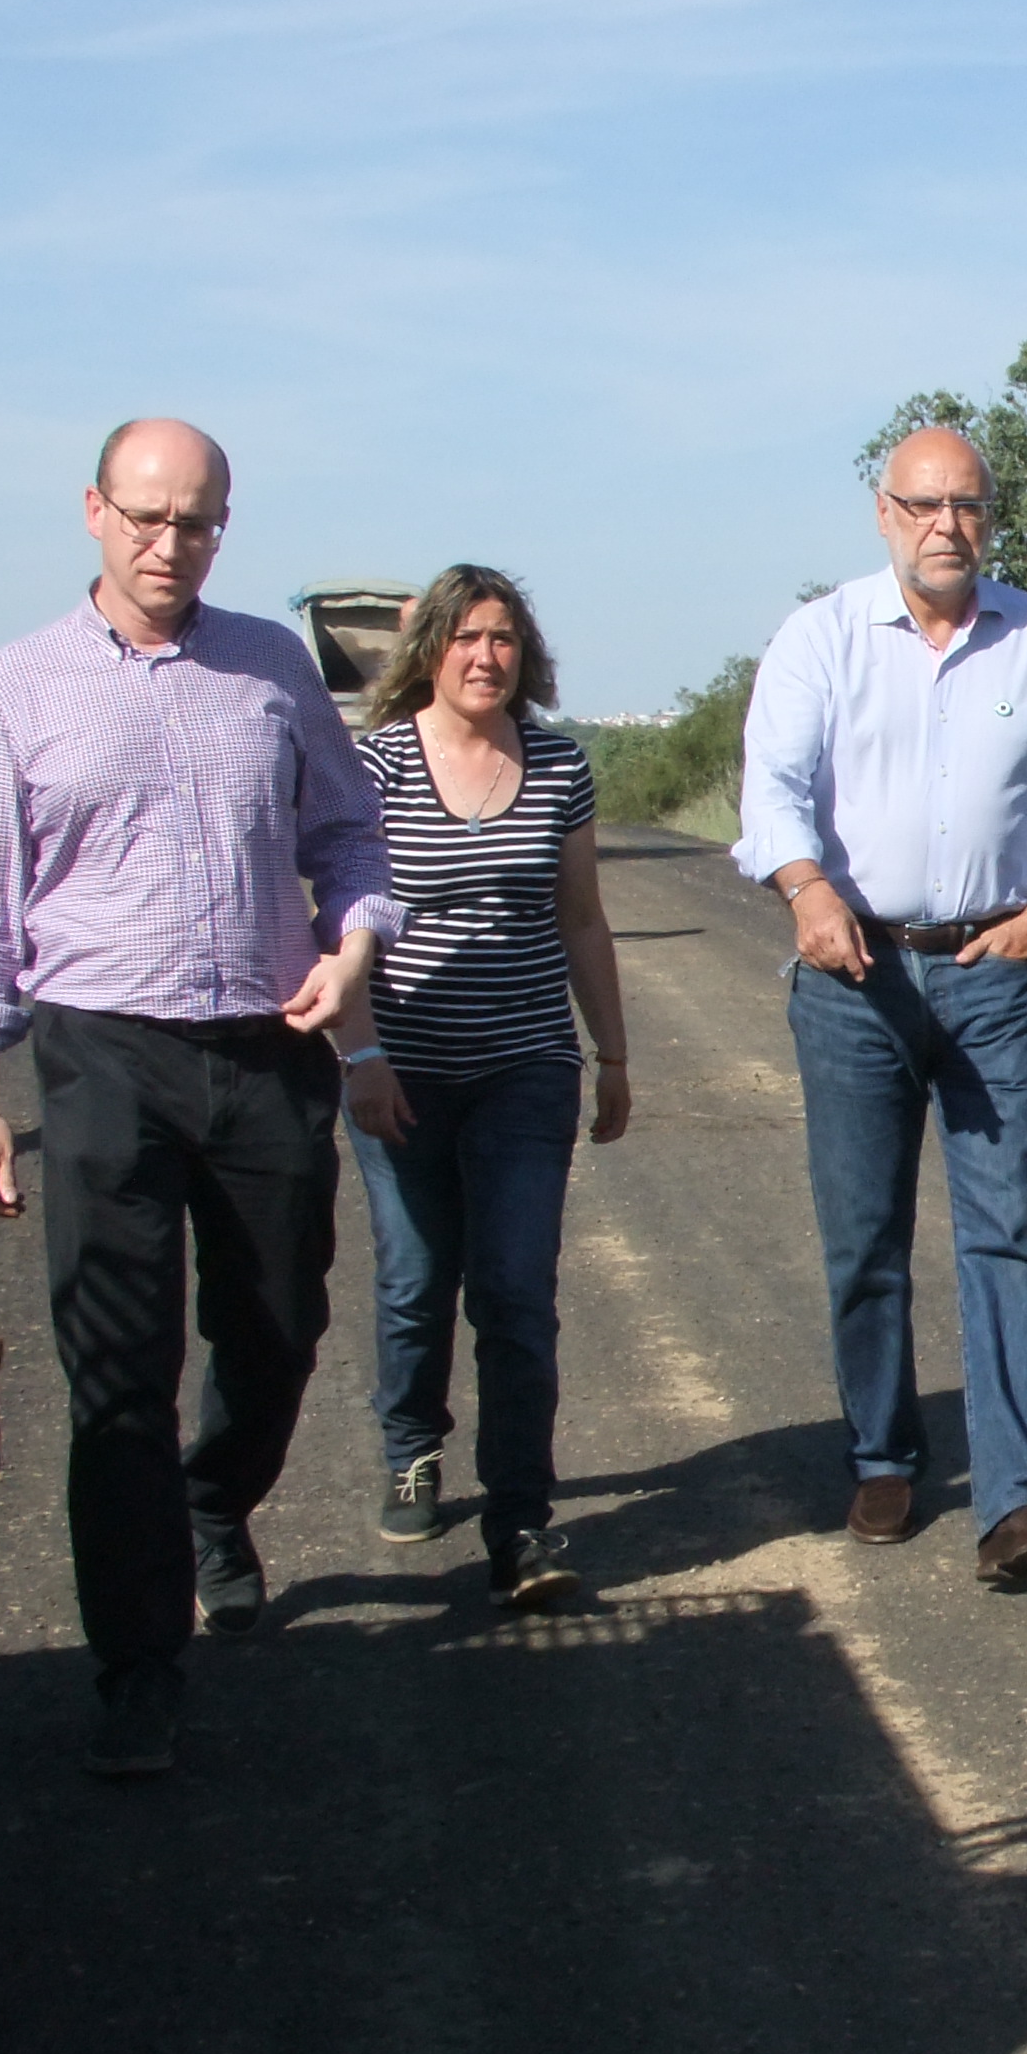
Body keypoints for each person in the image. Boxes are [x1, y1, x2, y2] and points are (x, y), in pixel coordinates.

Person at [0, 420, 405, 1781]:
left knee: (279, 1325)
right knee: (117, 1368)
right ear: (92, 512)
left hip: (264, 1048)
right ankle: (138, 1668)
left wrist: (354, 938)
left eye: (193, 522)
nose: (166, 544)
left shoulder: (270, 670)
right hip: (99, 1056)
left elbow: (347, 830)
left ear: (222, 527)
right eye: (143, 517)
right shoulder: (12, 689)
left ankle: (213, 1506)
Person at [736, 427, 1027, 1582]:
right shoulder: (821, 637)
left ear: (991, 518)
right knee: (864, 1239)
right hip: (857, 976)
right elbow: (774, 788)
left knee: (1009, 1236)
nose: (949, 525)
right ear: (883, 514)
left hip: (994, 971)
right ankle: (884, 1452)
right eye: (926, 505)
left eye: (969, 506)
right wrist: (805, 890)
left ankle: (1017, 1503)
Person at [334, 565, 628, 1612]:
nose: (485, 656)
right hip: (398, 1069)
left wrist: (614, 1055)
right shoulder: (370, 767)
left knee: (513, 1290)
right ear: (430, 652)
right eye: (466, 637)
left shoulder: (556, 765)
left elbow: (582, 918)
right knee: (417, 1279)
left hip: (525, 1066)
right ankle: (412, 1447)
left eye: (503, 637)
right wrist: (358, 1057)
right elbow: (337, 923)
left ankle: (520, 1519)